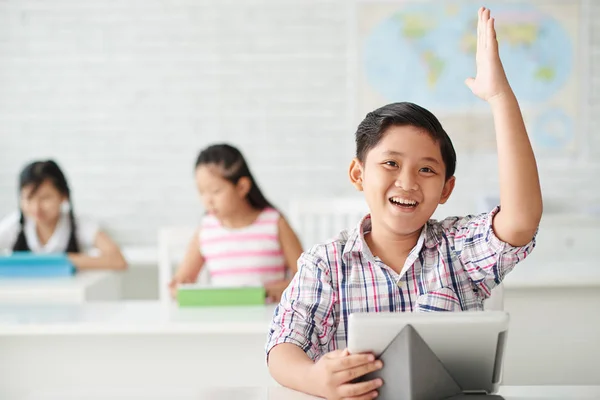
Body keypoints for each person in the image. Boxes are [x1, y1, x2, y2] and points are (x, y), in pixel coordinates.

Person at [265, 7, 543, 399]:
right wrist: (313, 379)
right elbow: (282, 346)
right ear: (359, 174)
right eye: (391, 164)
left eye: (427, 170)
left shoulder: (458, 250)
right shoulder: (325, 264)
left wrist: (499, 97)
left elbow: (521, 221)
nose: (407, 182)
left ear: (446, 190)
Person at [169, 143, 303, 303]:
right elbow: (182, 281)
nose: (207, 200)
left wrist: (266, 292)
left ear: (242, 187)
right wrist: (177, 287)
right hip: (223, 323)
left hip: (270, 322)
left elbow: (306, 279)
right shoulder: (206, 229)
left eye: (216, 191)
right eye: (201, 192)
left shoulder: (275, 223)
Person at [0, 160, 127, 270]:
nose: (36, 207)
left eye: (45, 198)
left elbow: (117, 260)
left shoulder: (80, 224)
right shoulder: (15, 225)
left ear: (63, 196)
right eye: (28, 198)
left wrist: (64, 261)